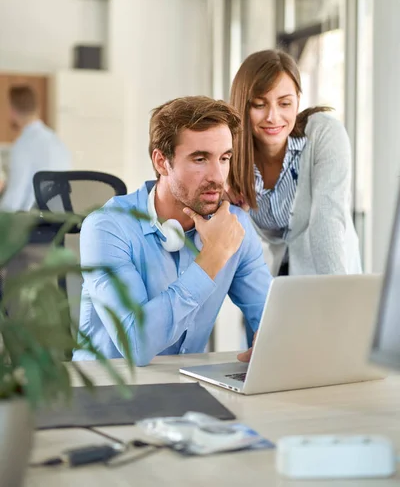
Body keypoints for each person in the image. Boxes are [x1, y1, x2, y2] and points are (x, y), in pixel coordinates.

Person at [73, 96, 272, 366]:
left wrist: (271, 340)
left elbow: (269, 316)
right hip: (104, 393)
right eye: (200, 159)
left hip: (183, 386)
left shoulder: (234, 226)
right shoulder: (107, 227)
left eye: (224, 158)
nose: (217, 175)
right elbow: (136, 344)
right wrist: (213, 257)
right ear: (161, 161)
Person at [228, 49, 361, 277]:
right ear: (243, 106)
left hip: (331, 273)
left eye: (284, 103)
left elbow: (326, 222)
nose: (273, 116)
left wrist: (339, 297)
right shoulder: (228, 153)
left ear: (298, 100)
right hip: (271, 284)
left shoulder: (323, 134)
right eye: (259, 105)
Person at [0, 84, 71, 211]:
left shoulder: (23, 145)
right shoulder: (57, 142)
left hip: (31, 222)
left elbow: (15, 198)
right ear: (37, 108)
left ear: (12, 110)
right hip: (57, 222)